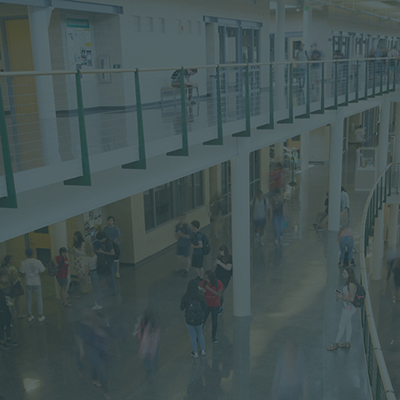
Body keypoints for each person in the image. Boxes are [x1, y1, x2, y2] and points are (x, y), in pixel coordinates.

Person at [75, 308, 111, 400]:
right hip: (92, 351)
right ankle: (105, 392)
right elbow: (79, 337)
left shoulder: (101, 324)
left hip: (101, 351)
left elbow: (105, 336)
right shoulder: (87, 326)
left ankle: (94, 379)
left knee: (96, 367)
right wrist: (81, 349)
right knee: (102, 370)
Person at [327, 267, 359, 350]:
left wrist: (341, 296)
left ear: (349, 275)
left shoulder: (351, 285)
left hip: (349, 309)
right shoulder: (348, 283)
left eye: (344, 273)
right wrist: (341, 294)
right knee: (348, 324)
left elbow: (351, 299)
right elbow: (348, 295)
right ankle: (347, 342)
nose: (342, 274)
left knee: (341, 325)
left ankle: (335, 343)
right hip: (348, 308)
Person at [180, 280, 207, 358]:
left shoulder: (186, 296)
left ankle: (195, 353)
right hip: (199, 319)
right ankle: (202, 350)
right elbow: (205, 306)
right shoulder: (200, 296)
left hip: (189, 320)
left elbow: (181, 308)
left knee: (192, 335)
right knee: (200, 333)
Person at [19, 248, 46, 322]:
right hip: (37, 282)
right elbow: (43, 271)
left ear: (25, 254)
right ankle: (40, 316)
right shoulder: (38, 262)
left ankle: (29, 315)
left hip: (28, 282)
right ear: (33, 253)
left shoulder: (23, 262)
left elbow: (22, 274)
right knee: (39, 299)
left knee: (28, 299)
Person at [200, 270, 223, 344]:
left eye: (207, 278)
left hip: (215, 305)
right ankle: (199, 335)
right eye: (205, 278)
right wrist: (202, 290)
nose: (206, 279)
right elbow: (200, 289)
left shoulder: (218, 283)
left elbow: (219, 295)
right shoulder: (204, 282)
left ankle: (213, 337)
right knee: (202, 321)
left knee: (214, 321)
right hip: (206, 305)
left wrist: (209, 289)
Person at [137, 307, 161, 379]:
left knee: (145, 357)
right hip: (154, 343)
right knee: (154, 357)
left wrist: (140, 338)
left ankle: (149, 370)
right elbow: (157, 333)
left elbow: (140, 331)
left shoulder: (144, 321)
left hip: (145, 343)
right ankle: (153, 371)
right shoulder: (156, 321)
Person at [94, 231, 116, 297]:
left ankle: (112, 291)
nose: (99, 241)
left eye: (100, 239)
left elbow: (112, 253)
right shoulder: (104, 242)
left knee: (110, 277)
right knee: (108, 277)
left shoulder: (108, 243)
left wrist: (102, 252)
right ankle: (110, 290)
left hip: (110, 261)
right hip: (106, 261)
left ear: (103, 238)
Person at [0, 269, 18, 350]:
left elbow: (13, 294)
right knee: (2, 325)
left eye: (6, 277)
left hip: (9, 307)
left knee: (9, 324)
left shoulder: (9, 285)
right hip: (2, 308)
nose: (5, 278)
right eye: (3, 277)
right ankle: (1, 341)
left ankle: (8, 338)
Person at [214, 245, 232, 315]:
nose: (220, 252)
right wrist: (216, 262)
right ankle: (218, 305)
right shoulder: (219, 256)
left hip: (224, 278)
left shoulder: (229, 258)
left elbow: (228, 268)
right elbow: (215, 265)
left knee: (220, 292)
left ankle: (220, 307)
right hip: (217, 277)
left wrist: (220, 263)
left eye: (222, 251)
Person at [85, 243, 102, 310]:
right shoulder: (95, 255)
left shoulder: (87, 258)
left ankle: (99, 303)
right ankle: (99, 301)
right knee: (97, 288)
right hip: (97, 272)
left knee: (96, 288)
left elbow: (87, 269)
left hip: (92, 273)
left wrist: (84, 277)